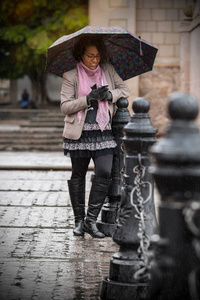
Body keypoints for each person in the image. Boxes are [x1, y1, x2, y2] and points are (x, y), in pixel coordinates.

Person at [60, 36, 130, 238]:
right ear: (80, 54)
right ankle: (79, 222)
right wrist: (87, 99)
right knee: (78, 175)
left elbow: (124, 89)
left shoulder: (108, 70)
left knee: (105, 172)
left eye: (98, 56)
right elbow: (65, 106)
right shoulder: (70, 75)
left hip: (103, 131)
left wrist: (110, 96)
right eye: (90, 56)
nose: (95, 60)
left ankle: (91, 221)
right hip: (79, 133)